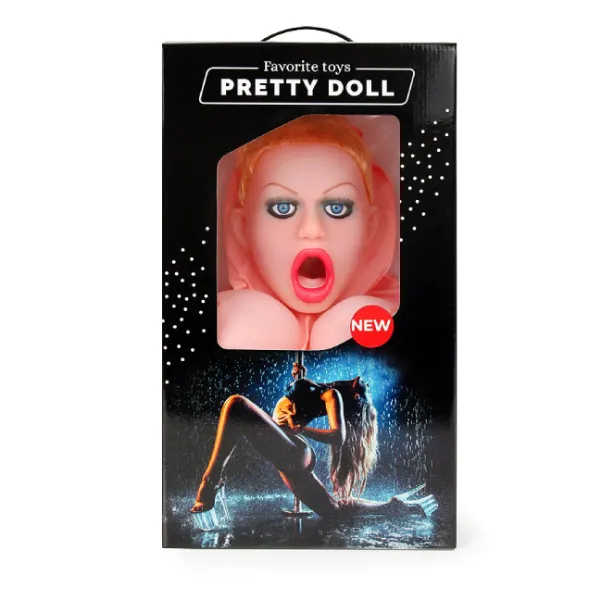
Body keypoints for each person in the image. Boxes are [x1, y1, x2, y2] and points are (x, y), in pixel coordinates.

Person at [218, 115, 400, 350]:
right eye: (283, 208)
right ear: (243, 228)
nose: (312, 230)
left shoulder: (398, 311)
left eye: (337, 208)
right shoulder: (229, 319)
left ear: (370, 226)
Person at [190, 363, 430, 518]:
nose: (365, 383)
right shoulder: (322, 390)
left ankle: (210, 481)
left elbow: (338, 436)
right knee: (335, 511)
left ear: (357, 396)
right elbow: (300, 403)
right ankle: (392, 506)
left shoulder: (333, 395)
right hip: (290, 452)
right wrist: (299, 380)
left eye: (366, 389)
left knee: (236, 405)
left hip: (294, 450)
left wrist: (302, 429)